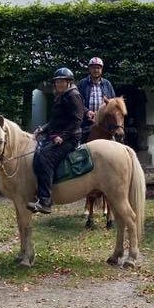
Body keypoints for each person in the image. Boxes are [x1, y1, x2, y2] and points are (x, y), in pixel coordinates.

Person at [28, 67, 85, 214]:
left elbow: (77, 121)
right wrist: (43, 129)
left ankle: (46, 201)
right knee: (36, 153)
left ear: (69, 82)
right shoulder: (61, 96)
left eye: (62, 81)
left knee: (44, 157)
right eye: (57, 81)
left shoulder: (73, 96)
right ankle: (38, 192)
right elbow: (55, 121)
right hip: (57, 135)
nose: (59, 84)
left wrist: (63, 136)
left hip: (70, 138)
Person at [76, 56, 116, 142]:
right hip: (86, 124)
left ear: (101, 69)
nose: (96, 70)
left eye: (98, 68)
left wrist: (101, 115)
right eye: (93, 68)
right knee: (83, 148)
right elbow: (77, 103)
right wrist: (87, 112)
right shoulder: (82, 83)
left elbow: (113, 103)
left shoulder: (107, 84)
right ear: (89, 69)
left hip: (104, 125)